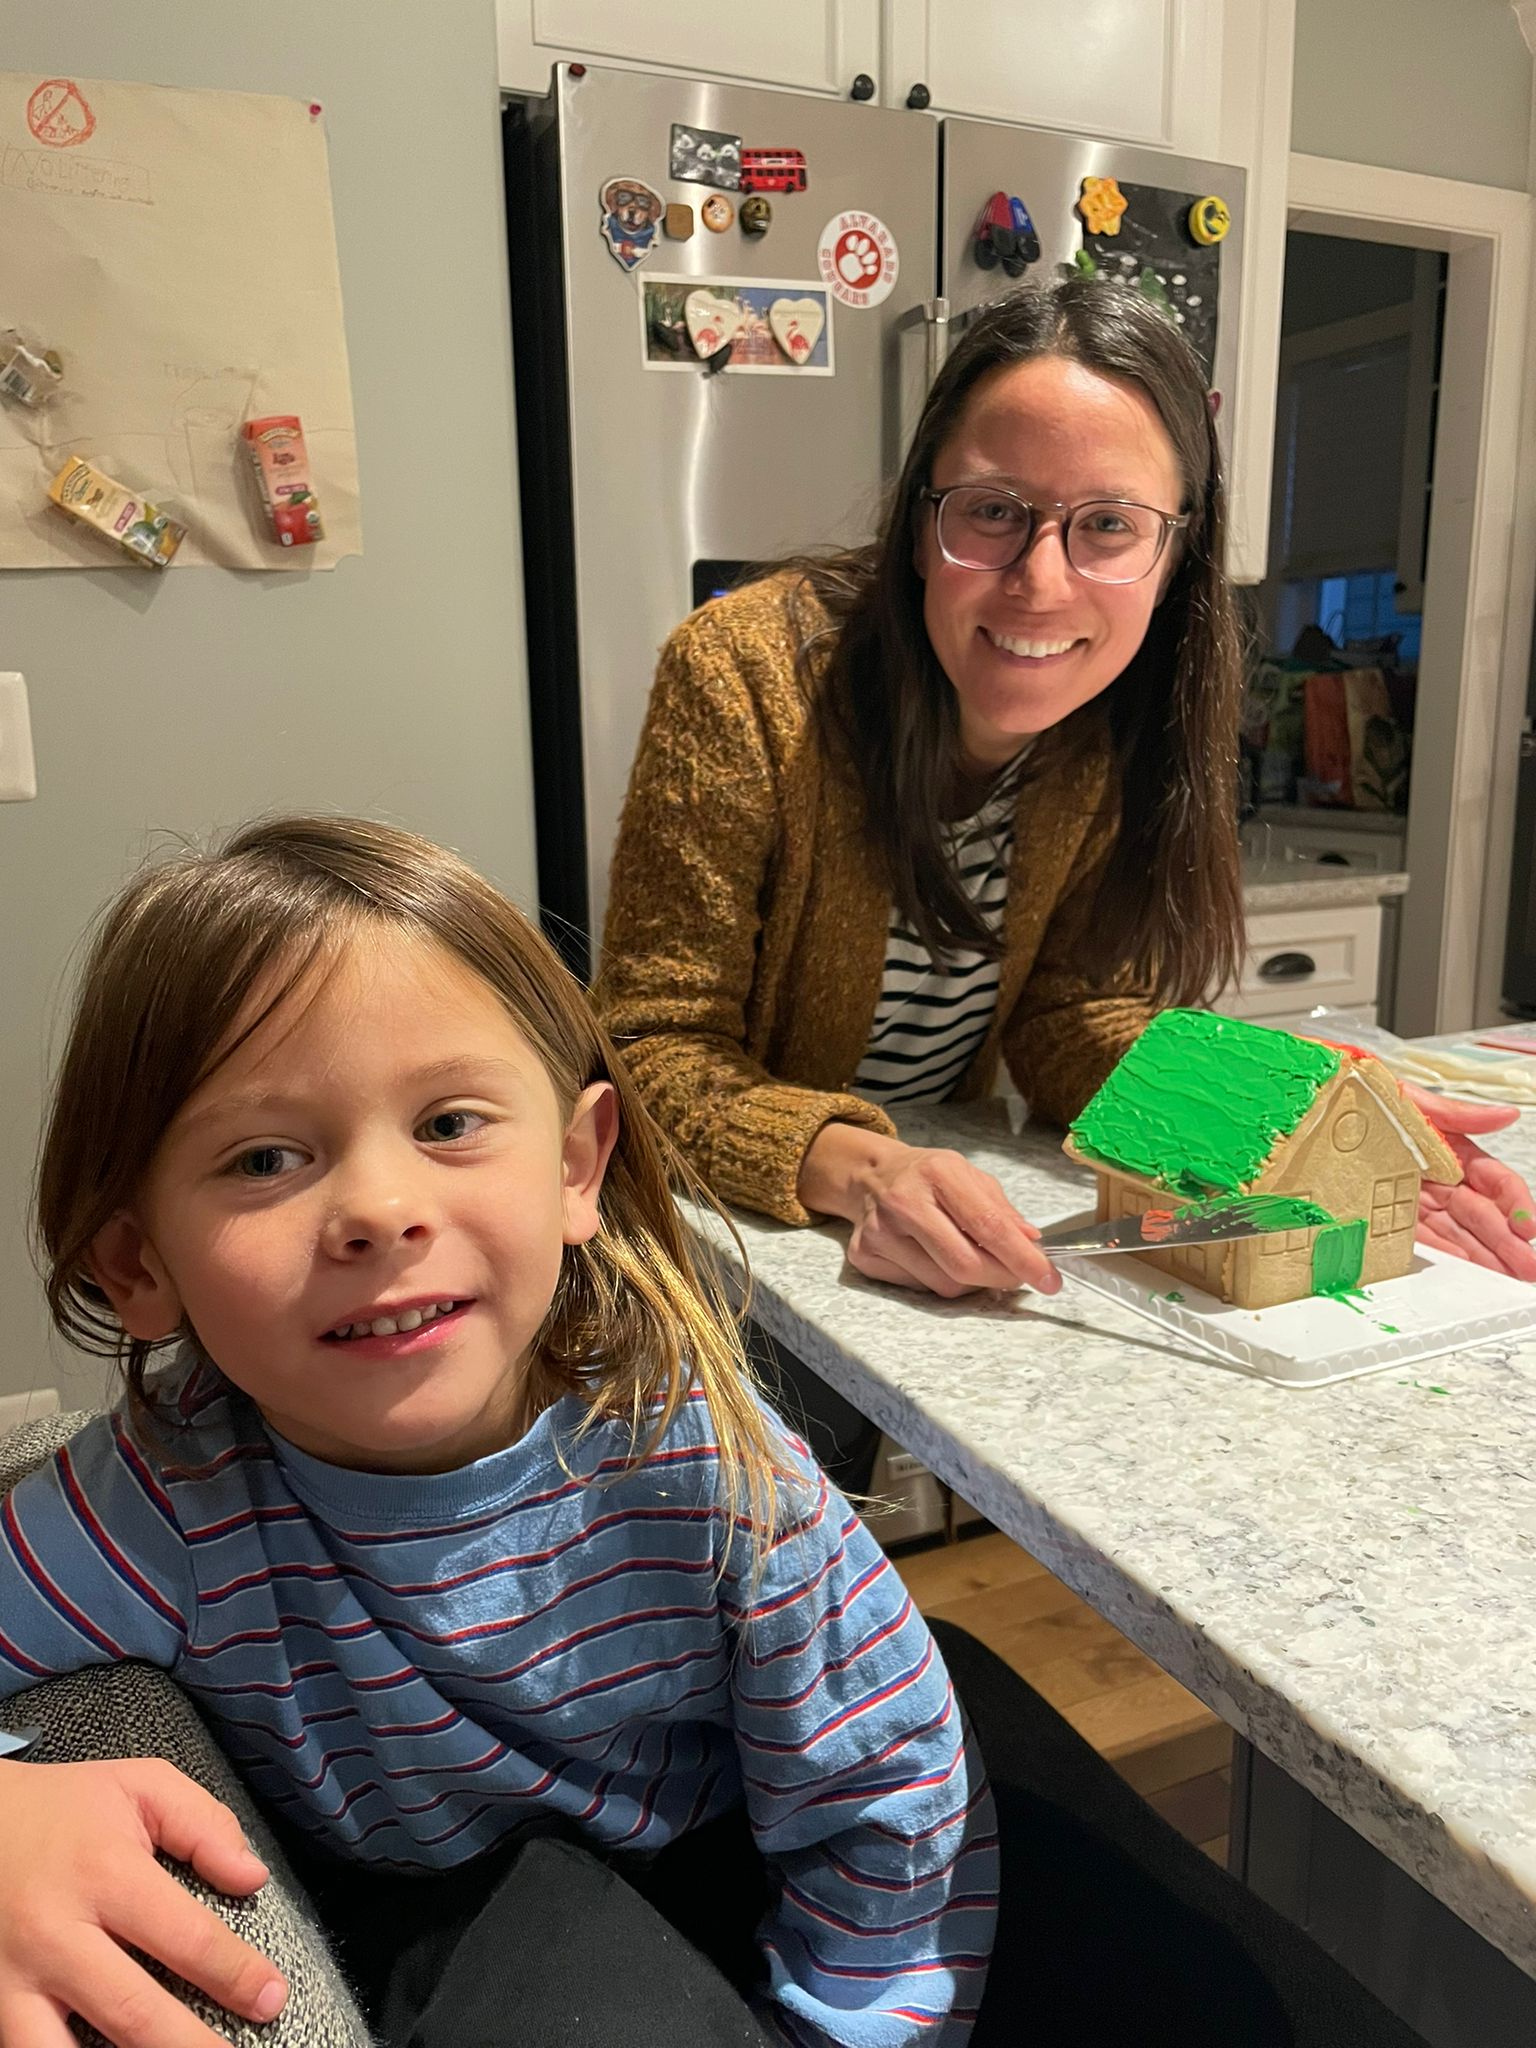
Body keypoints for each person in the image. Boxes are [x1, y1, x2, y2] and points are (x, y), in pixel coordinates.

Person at [0, 816, 995, 2048]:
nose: (379, 1208)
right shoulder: (160, 1508)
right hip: (445, 1924)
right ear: (138, 1262)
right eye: (265, 1156)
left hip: (758, 1867)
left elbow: (884, 1786)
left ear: (577, 1165)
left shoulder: (708, 1470)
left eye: (450, 1123)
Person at [596, 277, 1536, 1470]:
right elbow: (648, 1045)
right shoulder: (748, 676)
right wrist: (857, 1162)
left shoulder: (1128, 720)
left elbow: (1065, 1015)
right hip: (715, 1267)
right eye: (993, 510)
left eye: (1107, 524)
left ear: (1175, 545)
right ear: (920, 517)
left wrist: (1280, 1103)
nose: (1041, 582)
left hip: (912, 1284)